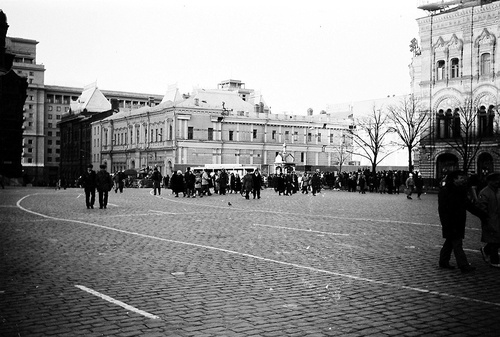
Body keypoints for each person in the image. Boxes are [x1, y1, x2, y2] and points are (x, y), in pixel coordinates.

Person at [438, 170, 482, 273]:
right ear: (454, 179)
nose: (463, 180)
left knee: (450, 242)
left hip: (458, 220)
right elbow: (443, 209)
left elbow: (468, 205)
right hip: (451, 221)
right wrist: (445, 222)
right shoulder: (445, 191)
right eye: (461, 178)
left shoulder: (460, 190)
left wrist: (481, 215)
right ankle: (463, 265)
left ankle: (443, 261)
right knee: (457, 244)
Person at [477, 172, 500, 268]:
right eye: (495, 180)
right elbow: (482, 208)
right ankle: (494, 260)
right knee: (494, 240)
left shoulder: (498, 191)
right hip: (490, 219)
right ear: (489, 181)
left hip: (498, 218)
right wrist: (486, 219)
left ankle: (486, 250)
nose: (497, 182)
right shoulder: (484, 192)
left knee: (496, 240)